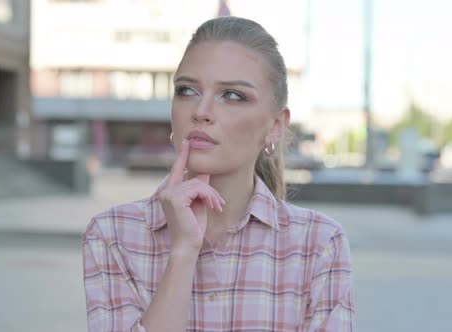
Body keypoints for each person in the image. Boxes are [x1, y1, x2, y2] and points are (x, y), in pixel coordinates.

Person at [83, 16, 355, 332]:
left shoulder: (319, 244)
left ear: (275, 126)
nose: (201, 111)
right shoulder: (112, 235)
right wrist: (183, 253)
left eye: (233, 95)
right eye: (187, 90)